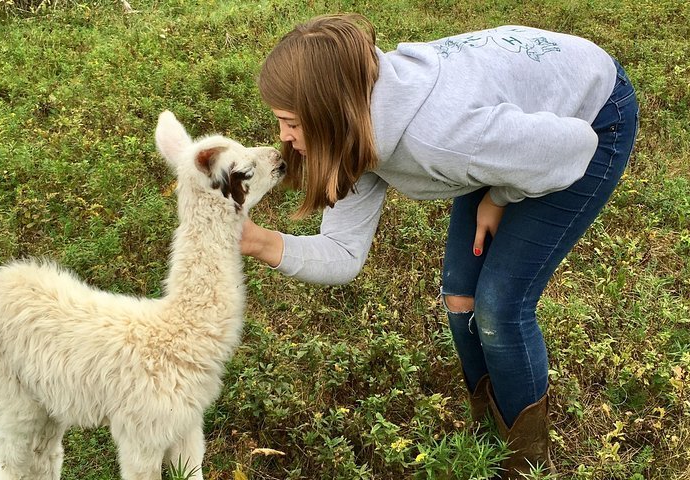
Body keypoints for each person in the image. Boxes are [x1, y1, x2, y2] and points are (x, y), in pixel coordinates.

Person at [241, 13, 639, 479]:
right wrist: (256, 240)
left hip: (590, 115)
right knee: (460, 296)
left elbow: (569, 149)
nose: (283, 138)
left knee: (499, 308)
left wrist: (498, 195)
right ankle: (488, 441)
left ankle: (524, 466)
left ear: (332, 111)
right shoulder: (358, 130)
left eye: (290, 123)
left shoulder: (443, 139)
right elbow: (343, 253)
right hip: (498, 125)